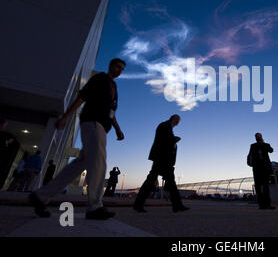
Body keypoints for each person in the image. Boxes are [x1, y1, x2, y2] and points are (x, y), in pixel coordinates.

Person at [29, 58, 126, 219]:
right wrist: (66, 116)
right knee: (99, 162)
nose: (119, 70)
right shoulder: (100, 79)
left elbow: (111, 112)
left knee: (78, 166)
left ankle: (40, 196)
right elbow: (82, 96)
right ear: (110, 66)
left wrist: (118, 129)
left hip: (102, 126)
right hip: (93, 122)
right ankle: (95, 206)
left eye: (122, 69)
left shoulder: (114, 87)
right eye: (117, 66)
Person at [134, 115, 189, 213]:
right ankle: (177, 205)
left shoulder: (166, 126)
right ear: (174, 119)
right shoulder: (165, 126)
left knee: (161, 182)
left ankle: (177, 205)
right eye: (177, 120)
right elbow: (165, 141)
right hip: (162, 159)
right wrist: (174, 139)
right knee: (156, 181)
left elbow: (165, 140)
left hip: (162, 159)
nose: (178, 123)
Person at [247, 133, 275, 209]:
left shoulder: (266, 145)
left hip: (265, 168)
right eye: (256, 136)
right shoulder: (253, 146)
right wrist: (250, 164)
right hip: (256, 168)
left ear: (261, 137)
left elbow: (271, 150)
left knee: (266, 186)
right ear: (255, 138)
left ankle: (268, 204)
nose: (258, 137)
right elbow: (249, 155)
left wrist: (264, 143)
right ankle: (261, 205)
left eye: (259, 136)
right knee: (258, 187)